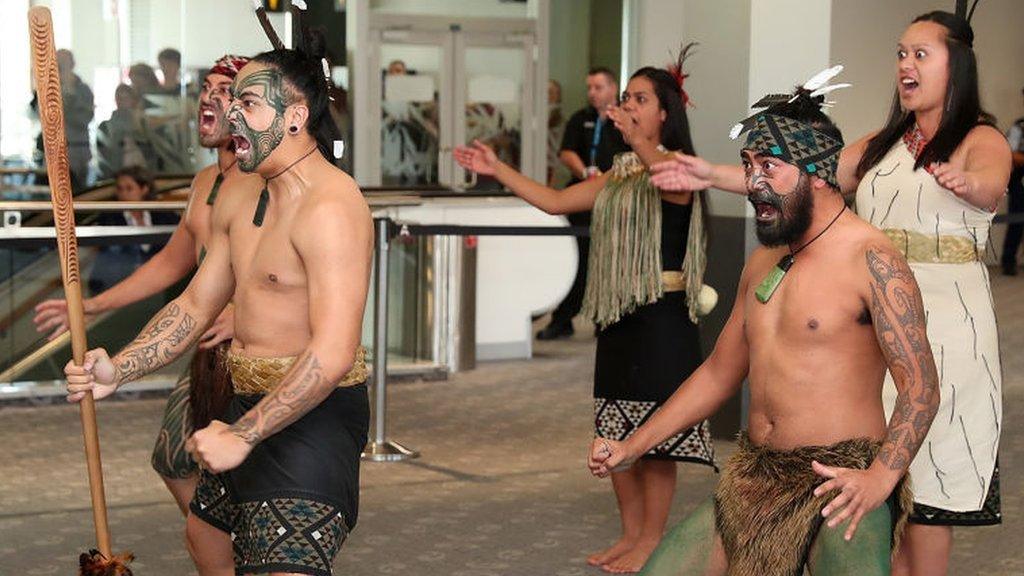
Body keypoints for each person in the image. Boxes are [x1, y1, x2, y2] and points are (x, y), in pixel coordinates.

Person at [649, 11, 1010, 575]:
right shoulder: (884, 143)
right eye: (900, 53)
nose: (905, 65)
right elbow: (802, 168)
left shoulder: (979, 135)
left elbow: (992, 181)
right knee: (874, 474)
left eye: (921, 54)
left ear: (956, 63)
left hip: (945, 316)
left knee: (933, 489)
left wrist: (968, 185)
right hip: (857, 312)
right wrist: (708, 175)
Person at [591, 84, 939, 575]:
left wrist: (881, 477)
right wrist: (633, 445)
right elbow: (718, 373)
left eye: (769, 166)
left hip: (838, 482)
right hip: (753, 480)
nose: (754, 182)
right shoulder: (763, 262)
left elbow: (921, 388)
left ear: (817, 173)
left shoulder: (872, 260)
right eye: (749, 165)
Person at [64, 31, 371, 576]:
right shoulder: (237, 192)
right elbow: (194, 306)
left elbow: (332, 353)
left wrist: (245, 433)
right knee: (205, 539)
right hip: (243, 399)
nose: (230, 116)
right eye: (233, 102)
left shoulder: (333, 207)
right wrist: (119, 367)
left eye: (247, 103)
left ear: (296, 116)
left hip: (314, 416)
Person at [456, 46, 714, 573]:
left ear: (665, 113)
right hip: (619, 315)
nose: (629, 106)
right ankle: (630, 535)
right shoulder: (619, 175)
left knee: (657, 436)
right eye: (626, 98)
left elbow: (664, 176)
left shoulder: (677, 169)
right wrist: (496, 168)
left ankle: (651, 540)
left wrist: (638, 137)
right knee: (615, 429)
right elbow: (554, 202)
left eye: (640, 99)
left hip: (663, 318)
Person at [36, 55, 258, 516]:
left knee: (240, 468)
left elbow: (291, 270)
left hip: (257, 350)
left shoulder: (263, 181)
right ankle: (222, 537)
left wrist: (244, 313)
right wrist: (93, 305)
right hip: (204, 343)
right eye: (206, 87)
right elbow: (171, 263)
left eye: (225, 90)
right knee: (175, 460)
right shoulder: (202, 182)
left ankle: (231, 539)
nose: (208, 98)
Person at [537, 67, 629, 340]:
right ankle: (563, 319)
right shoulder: (580, 119)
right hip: (582, 199)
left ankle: (606, 320)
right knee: (577, 260)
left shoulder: (625, 120)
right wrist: (586, 175)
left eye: (598, 87)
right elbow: (566, 151)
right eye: (589, 87)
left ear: (613, 88)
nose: (592, 93)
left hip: (615, 199)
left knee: (610, 261)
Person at [87, 165, 179, 294]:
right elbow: (107, 260)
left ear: (144, 189)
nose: (123, 194)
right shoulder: (108, 218)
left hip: (162, 286)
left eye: (129, 188)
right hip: (121, 288)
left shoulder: (164, 215)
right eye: (120, 189)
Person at [1001, 87, 1024, 275]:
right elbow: (1009, 153)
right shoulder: (1019, 127)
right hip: (1020, 182)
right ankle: (1008, 261)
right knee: (1016, 222)